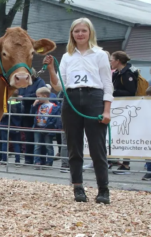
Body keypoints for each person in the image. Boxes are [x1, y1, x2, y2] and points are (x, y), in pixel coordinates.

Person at [43, 17, 112, 204]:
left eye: (83, 30)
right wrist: (50, 68)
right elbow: (58, 87)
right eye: (76, 31)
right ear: (72, 34)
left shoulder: (100, 54)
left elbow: (107, 83)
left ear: (90, 32)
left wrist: (107, 110)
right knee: (74, 146)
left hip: (94, 98)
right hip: (71, 99)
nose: (80, 34)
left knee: (98, 147)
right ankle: (78, 188)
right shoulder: (67, 57)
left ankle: (103, 189)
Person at [109, 51, 137, 175]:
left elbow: (131, 91)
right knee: (119, 134)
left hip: (127, 108)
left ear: (118, 61)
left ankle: (126, 164)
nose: (110, 62)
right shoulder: (117, 73)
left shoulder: (128, 74)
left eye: (111, 60)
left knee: (126, 134)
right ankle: (119, 162)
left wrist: (114, 92)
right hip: (119, 107)